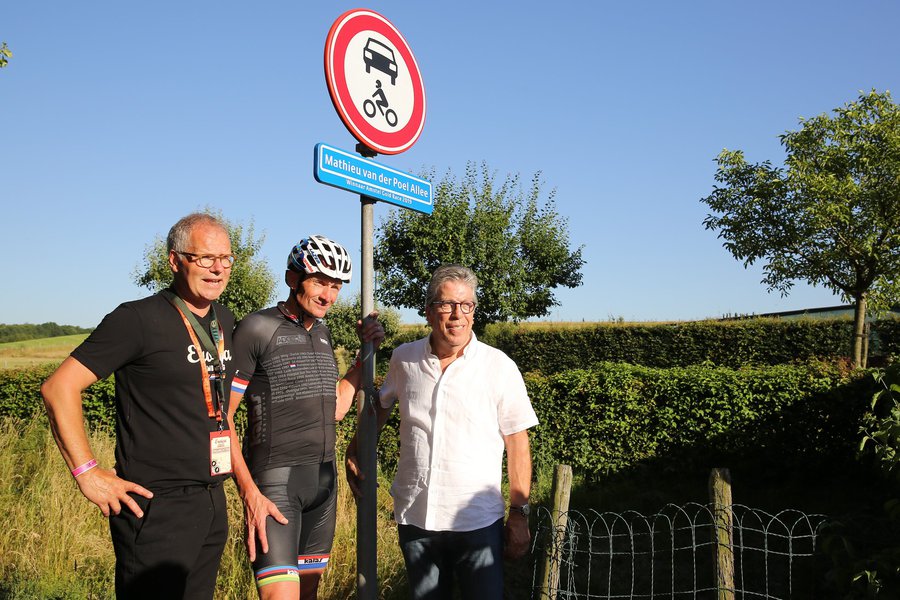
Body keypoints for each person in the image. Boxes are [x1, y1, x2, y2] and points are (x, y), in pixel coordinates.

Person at [41, 212, 237, 599]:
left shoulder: (225, 320)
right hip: (154, 504)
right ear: (174, 260)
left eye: (226, 259)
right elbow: (58, 388)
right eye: (204, 258)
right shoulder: (136, 319)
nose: (218, 269)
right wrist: (87, 472)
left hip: (212, 496)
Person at [345, 264, 539, 600]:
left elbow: (517, 443)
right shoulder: (405, 359)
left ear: (474, 312)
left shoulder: (499, 367)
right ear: (429, 311)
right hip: (417, 518)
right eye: (446, 304)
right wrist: (355, 449)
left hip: (477, 524)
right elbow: (381, 407)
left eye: (466, 305)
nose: (456, 315)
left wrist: (519, 514)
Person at [227, 235, 384, 600]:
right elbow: (222, 419)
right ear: (292, 278)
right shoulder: (256, 329)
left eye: (335, 286)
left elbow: (337, 407)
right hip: (275, 486)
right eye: (319, 283)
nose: (328, 295)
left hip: (323, 487)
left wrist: (365, 355)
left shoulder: (324, 333)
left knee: (308, 595)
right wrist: (248, 491)